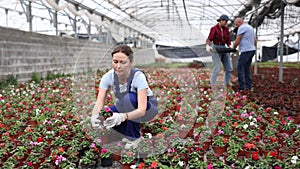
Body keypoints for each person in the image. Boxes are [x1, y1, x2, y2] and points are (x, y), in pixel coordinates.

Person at [90, 45, 158, 149]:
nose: (118, 66)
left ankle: (134, 137)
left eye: (123, 62)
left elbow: (141, 110)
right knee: (104, 114)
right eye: (115, 62)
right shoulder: (108, 77)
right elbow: (99, 102)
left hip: (147, 109)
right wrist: (95, 116)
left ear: (131, 63)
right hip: (126, 106)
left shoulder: (138, 77)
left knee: (129, 99)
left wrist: (122, 117)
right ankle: (127, 131)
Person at [206, 14, 233, 91]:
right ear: (220, 20)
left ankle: (227, 83)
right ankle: (213, 85)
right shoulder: (214, 28)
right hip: (216, 48)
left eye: (227, 21)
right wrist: (207, 45)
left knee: (229, 68)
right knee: (217, 67)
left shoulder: (226, 29)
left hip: (224, 48)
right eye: (225, 21)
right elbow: (209, 38)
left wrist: (230, 45)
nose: (226, 23)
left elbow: (228, 39)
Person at [233, 17, 257, 92]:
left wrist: (233, 47)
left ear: (239, 22)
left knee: (239, 67)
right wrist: (253, 46)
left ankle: (242, 87)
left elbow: (238, 39)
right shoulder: (250, 27)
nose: (236, 26)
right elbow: (255, 40)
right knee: (247, 68)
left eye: (236, 24)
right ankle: (249, 87)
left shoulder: (242, 28)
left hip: (246, 51)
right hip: (252, 50)